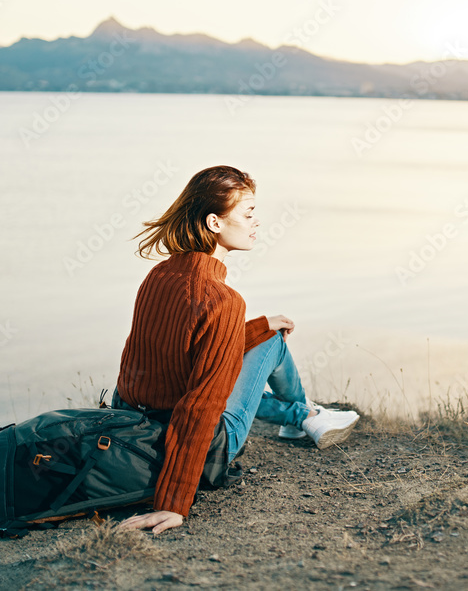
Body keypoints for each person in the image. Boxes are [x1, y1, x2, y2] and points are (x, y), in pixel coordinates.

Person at [114, 165, 359, 534]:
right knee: (274, 341)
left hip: (138, 424)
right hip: (211, 443)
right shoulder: (223, 299)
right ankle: (303, 415)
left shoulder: (158, 276)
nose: (256, 223)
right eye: (248, 213)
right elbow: (202, 404)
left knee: (268, 332)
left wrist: (259, 325)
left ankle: (302, 417)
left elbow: (189, 349)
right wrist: (173, 503)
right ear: (214, 222)